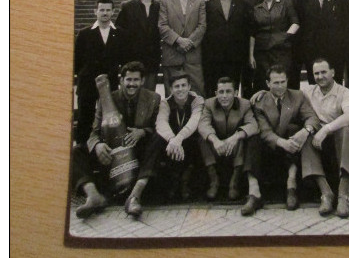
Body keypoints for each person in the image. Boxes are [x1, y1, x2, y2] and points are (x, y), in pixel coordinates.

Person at [72, 61, 161, 219]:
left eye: (135, 80)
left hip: (136, 152)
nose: (131, 84)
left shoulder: (153, 99)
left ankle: (134, 197)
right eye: (128, 80)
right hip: (111, 153)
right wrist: (98, 145)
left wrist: (142, 132)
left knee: (157, 140)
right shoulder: (106, 99)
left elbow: (157, 127)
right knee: (76, 151)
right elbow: (94, 132)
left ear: (142, 81)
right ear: (121, 81)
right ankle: (93, 196)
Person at [250, 64, 320, 210]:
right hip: (273, 146)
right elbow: (264, 131)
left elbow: (312, 117)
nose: (280, 86)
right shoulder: (260, 101)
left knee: (294, 128)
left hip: (300, 144)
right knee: (254, 138)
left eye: (283, 82)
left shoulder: (298, 95)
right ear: (268, 83)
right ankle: (254, 192)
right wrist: (282, 142)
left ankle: (292, 186)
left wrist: (306, 130)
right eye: (276, 83)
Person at [198, 77, 262, 216]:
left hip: (235, 147)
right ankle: (214, 180)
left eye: (228, 91)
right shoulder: (209, 104)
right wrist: (215, 140)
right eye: (221, 92)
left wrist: (235, 137)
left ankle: (235, 181)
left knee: (243, 136)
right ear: (216, 93)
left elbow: (253, 125)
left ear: (235, 92)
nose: (224, 96)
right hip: (217, 147)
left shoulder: (244, 104)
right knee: (203, 139)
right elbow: (203, 125)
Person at [303, 58, 349, 218]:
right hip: (318, 141)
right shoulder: (308, 92)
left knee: (346, 130)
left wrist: (326, 129)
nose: (320, 76)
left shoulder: (344, 92)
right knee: (305, 134)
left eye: (323, 72)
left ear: (333, 72)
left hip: (339, 139)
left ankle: (343, 193)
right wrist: (262, 94)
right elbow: (287, 96)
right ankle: (326, 193)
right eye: (316, 73)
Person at [74, 0, 128, 144]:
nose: (105, 13)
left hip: (110, 84)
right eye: (101, 10)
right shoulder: (84, 34)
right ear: (95, 12)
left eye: (108, 10)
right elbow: (77, 61)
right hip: (88, 84)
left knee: (109, 119)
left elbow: (124, 59)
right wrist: (86, 76)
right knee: (85, 119)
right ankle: (82, 153)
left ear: (113, 12)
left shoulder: (120, 34)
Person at [295, 0, 349, 87]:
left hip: (335, 51)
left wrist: (344, 48)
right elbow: (301, 27)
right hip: (312, 52)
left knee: (336, 86)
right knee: (315, 87)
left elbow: (348, 24)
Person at [155, 70, 204, 201]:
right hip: (173, 144)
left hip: (189, 139)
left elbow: (194, 121)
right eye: (176, 86)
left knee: (197, 140)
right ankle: (174, 182)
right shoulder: (165, 103)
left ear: (189, 86)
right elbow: (161, 123)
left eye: (183, 85)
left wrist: (178, 139)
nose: (180, 89)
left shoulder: (197, 100)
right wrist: (173, 140)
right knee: (160, 141)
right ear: (170, 89)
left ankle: (185, 182)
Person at [202, 0, 252, 97]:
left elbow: (248, 29)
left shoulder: (243, 3)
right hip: (213, 55)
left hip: (235, 55)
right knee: (213, 86)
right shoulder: (208, 3)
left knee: (233, 86)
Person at [159, 0, 206, 96]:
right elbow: (162, 26)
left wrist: (189, 43)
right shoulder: (165, 2)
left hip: (193, 55)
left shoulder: (199, 1)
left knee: (197, 92)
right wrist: (179, 40)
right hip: (172, 54)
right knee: (172, 94)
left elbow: (202, 26)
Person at [249, 0, 299, 94]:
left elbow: (295, 23)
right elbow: (252, 33)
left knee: (282, 81)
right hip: (262, 53)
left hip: (281, 51)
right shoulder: (257, 9)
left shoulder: (285, 2)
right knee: (264, 83)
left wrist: (285, 37)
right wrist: (251, 55)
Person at [115, 0, 161, 91]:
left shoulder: (159, 7)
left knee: (149, 95)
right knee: (131, 94)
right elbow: (119, 32)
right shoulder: (127, 6)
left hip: (152, 60)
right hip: (132, 59)